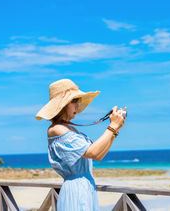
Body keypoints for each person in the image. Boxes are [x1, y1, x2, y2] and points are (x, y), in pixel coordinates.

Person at [35, 78, 126, 211]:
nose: (78, 106)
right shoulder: (57, 129)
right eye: (74, 101)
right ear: (63, 104)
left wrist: (115, 130)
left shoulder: (69, 129)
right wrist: (112, 126)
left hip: (85, 187)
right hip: (77, 190)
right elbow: (93, 152)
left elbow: (99, 155)